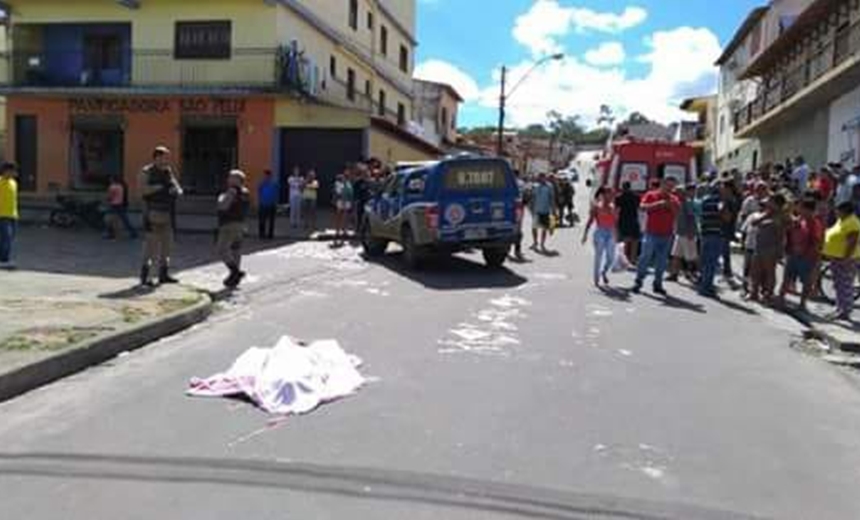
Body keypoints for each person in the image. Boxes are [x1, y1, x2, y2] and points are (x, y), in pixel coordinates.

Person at [139, 146, 182, 287]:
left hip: (168, 213)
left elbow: (177, 186)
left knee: (167, 246)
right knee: (150, 247)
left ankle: (164, 274)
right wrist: (158, 187)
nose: (167, 160)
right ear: (157, 157)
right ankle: (146, 277)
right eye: (164, 157)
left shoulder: (168, 171)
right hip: (152, 212)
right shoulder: (147, 171)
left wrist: (176, 190)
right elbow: (142, 190)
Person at [632, 176, 680, 295]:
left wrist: (671, 205)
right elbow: (642, 207)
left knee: (662, 261)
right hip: (651, 232)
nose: (670, 189)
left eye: (672, 187)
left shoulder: (674, 199)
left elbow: (678, 213)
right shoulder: (651, 195)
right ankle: (638, 281)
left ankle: (657, 283)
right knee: (645, 257)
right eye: (668, 185)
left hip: (667, 234)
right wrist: (658, 204)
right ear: (662, 184)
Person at [777, 198, 823, 312]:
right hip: (793, 254)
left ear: (808, 209)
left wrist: (810, 255)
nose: (799, 209)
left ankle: (802, 304)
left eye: (802, 207)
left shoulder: (814, 223)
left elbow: (816, 241)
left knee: (806, 281)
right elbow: (789, 230)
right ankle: (780, 298)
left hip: (806, 257)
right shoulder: (799, 220)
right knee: (787, 278)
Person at [744, 194, 787, 303]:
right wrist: (766, 215)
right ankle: (754, 293)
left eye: (770, 201)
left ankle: (768, 295)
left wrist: (780, 250)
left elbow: (781, 234)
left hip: (771, 248)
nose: (767, 203)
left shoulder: (782, 216)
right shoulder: (766, 214)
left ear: (776, 204)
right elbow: (754, 223)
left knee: (769, 272)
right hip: (759, 246)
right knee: (755, 271)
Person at [822, 201, 860, 321]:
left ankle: (845, 311)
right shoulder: (843, 220)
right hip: (837, 257)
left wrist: (845, 258)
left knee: (845, 285)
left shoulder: (852, 223)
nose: (835, 212)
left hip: (846, 259)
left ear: (844, 211)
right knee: (839, 285)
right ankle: (840, 308)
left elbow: (852, 243)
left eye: (837, 210)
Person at [217, 170, 251, 289]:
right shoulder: (246, 192)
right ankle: (234, 279)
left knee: (222, 249)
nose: (228, 179)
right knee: (236, 249)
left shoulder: (232, 191)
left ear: (237, 180)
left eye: (231, 177)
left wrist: (221, 198)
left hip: (229, 224)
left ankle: (235, 271)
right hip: (241, 224)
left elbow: (223, 206)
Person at [581, 187, 618, 287]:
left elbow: (615, 222)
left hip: (610, 232)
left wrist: (616, 235)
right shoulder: (597, 207)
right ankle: (596, 279)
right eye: (609, 194)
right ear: (603, 194)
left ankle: (604, 271)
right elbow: (590, 221)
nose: (611, 196)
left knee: (611, 257)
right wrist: (585, 234)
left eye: (612, 194)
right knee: (598, 256)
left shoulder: (613, 207)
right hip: (600, 232)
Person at [667, 184, 699, 282]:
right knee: (676, 254)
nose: (675, 193)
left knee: (691, 256)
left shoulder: (687, 203)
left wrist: (691, 232)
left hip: (687, 233)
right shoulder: (678, 202)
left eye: (677, 192)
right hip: (679, 232)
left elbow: (691, 218)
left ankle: (694, 273)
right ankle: (674, 274)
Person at [698, 182, 726, 297]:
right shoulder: (719, 201)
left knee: (705, 260)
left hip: (705, 233)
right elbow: (723, 214)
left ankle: (703, 285)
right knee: (712, 262)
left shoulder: (704, 200)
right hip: (716, 233)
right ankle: (706, 287)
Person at [104, 175, 137, 240]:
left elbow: (110, 197)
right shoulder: (122, 186)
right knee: (124, 219)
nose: (109, 180)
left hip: (114, 204)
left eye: (110, 179)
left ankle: (110, 233)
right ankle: (133, 232)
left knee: (109, 219)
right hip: (122, 204)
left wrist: (107, 200)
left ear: (113, 179)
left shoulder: (112, 187)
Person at [615, 181, 641, 266]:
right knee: (635, 240)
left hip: (623, 220)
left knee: (624, 240)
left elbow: (616, 210)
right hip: (634, 219)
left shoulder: (619, 197)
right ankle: (633, 259)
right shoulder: (636, 196)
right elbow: (639, 207)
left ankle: (624, 259)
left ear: (623, 187)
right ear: (630, 187)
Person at [530, 172, 556, 252]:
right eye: (540, 177)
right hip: (536, 210)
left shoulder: (549, 187)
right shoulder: (535, 186)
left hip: (545, 210)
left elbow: (552, 198)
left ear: (545, 178)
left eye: (543, 177)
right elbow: (533, 198)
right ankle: (535, 242)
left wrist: (553, 209)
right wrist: (531, 208)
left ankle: (542, 243)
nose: (542, 179)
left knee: (544, 228)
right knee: (534, 227)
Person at [0, 162, 19, 269]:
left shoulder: (14, 183)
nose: (14, 173)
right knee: (5, 237)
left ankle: (4, 259)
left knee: (11, 238)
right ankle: (4, 259)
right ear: (5, 171)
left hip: (13, 215)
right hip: (2, 215)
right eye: (12, 171)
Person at [257, 169, 278, 240]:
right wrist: (259, 201)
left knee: (271, 221)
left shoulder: (274, 183)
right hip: (263, 204)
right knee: (262, 221)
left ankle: (270, 235)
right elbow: (259, 192)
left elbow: (276, 193)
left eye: (267, 175)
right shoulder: (261, 183)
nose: (266, 177)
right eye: (265, 175)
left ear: (270, 176)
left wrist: (275, 202)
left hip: (271, 204)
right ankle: (262, 234)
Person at [333, 170, 354, 241]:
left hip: (347, 202)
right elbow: (338, 192)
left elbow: (351, 193)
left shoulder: (349, 184)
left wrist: (350, 201)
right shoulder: (339, 184)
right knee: (339, 217)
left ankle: (344, 231)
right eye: (345, 176)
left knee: (345, 217)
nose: (346, 177)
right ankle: (337, 231)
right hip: (341, 201)